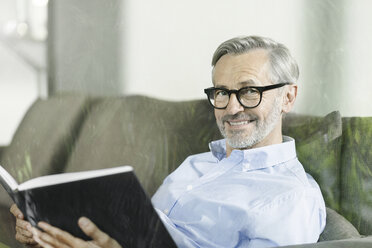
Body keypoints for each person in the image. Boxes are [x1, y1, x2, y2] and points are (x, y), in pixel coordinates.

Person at [10, 35, 326, 248]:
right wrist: (47, 229)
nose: (231, 108)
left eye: (248, 91)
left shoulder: (290, 198)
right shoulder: (198, 164)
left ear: (288, 97)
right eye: (221, 92)